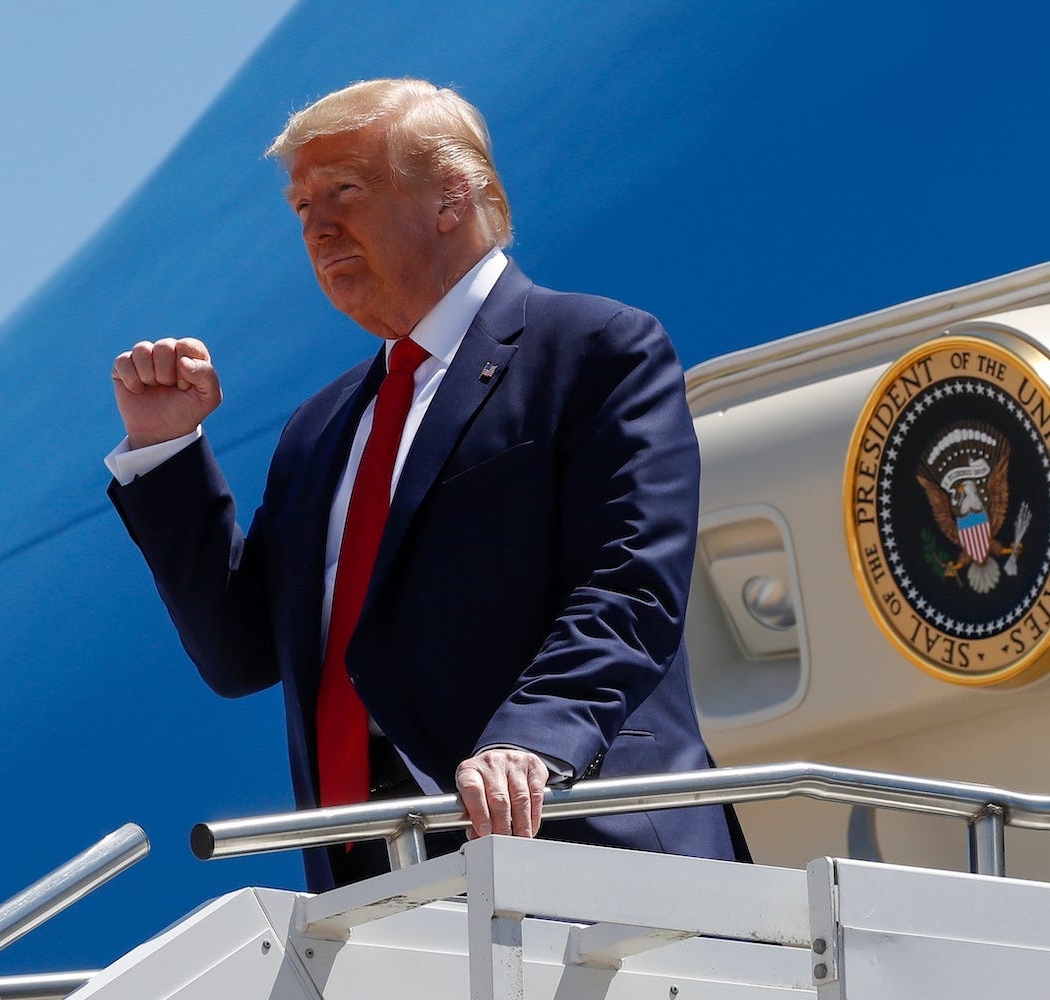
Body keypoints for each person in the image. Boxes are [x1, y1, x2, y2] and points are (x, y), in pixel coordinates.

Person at [103, 78, 742, 889]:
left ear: (451, 197)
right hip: (375, 883)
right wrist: (166, 450)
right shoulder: (319, 429)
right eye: (301, 207)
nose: (318, 227)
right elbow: (241, 652)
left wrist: (533, 738)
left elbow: (629, 585)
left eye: (344, 191)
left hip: (577, 849)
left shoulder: (593, 351)